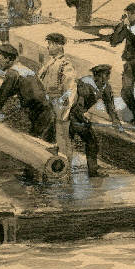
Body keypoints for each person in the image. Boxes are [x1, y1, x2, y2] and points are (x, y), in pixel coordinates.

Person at [0, 42, 52, 138]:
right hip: (46, 111)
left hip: (40, 115)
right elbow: (30, 91)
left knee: (33, 140)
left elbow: (1, 99)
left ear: (8, 59)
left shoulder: (12, 74)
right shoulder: (23, 69)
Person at [70, 64, 122, 177]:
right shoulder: (85, 84)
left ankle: (93, 171)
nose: (105, 80)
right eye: (103, 76)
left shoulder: (106, 87)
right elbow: (78, 105)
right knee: (69, 142)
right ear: (96, 76)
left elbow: (110, 106)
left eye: (107, 76)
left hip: (81, 117)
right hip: (71, 116)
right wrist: (83, 117)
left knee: (92, 143)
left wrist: (115, 120)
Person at [37, 32, 78, 176]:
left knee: (62, 137)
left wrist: (65, 109)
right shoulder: (50, 62)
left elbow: (70, 89)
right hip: (48, 102)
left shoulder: (65, 64)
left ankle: (66, 168)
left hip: (59, 104)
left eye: (50, 44)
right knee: (50, 135)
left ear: (58, 45)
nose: (48, 47)